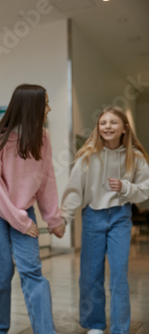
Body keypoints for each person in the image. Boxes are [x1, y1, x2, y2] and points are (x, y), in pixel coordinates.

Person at [0, 84, 65, 333]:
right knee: (1, 274)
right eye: (45, 104)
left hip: (23, 210)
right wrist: (20, 221)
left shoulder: (42, 138)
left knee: (32, 270)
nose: (49, 108)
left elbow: (46, 179)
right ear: (31, 107)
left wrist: (54, 219)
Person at [61, 106, 149, 334]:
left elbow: (145, 189)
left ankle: (120, 328)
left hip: (121, 216)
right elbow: (73, 191)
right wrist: (64, 218)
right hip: (92, 216)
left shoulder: (136, 157)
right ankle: (94, 325)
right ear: (98, 128)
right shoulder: (87, 156)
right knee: (91, 274)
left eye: (113, 122)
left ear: (125, 128)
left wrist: (125, 187)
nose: (107, 126)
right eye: (103, 123)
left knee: (119, 274)